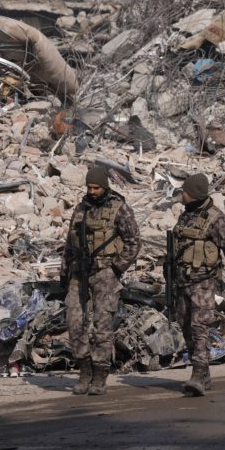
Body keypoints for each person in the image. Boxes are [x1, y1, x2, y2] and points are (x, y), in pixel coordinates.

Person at [60, 165, 140, 396]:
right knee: (74, 322)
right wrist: (64, 275)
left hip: (105, 275)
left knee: (102, 328)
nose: (92, 191)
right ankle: (84, 370)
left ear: (104, 187)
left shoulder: (119, 209)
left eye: (96, 187)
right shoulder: (80, 209)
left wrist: (117, 267)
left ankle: (100, 375)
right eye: (89, 187)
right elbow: (69, 245)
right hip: (79, 273)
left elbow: (134, 242)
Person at [172, 174, 225, 396]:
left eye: (184, 191)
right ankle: (203, 374)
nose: (182, 195)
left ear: (193, 193)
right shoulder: (185, 217)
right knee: (186, 325)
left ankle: (198, 372)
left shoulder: (217, 220)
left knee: (199, 326)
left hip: (203, 282)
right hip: (181, 282)